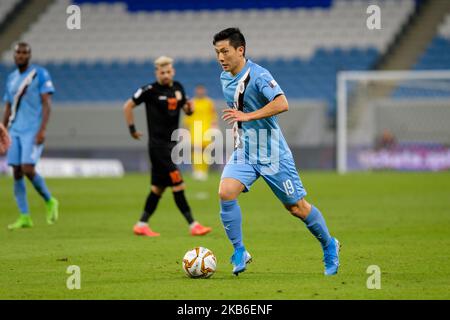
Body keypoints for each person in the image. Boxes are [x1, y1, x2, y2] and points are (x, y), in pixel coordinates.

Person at [213, 28, 340, 275]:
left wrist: (247, 116)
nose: (220, 57)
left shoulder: (259, 75)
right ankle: (239, 250)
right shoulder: (224, 78)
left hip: (272, 153)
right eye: (217, 52)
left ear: (240, 50)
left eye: (225, 51)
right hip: (246, 151)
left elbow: (282, 103)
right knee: (226, 193)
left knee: (296, 208)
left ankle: (329, 244)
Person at [123, 56, 212, 237]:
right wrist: (132, 129)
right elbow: (128, 106)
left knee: (158, 188)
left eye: (168, 71)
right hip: (158, 147)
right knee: (178, 184)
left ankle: (141, 224)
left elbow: (187, 109)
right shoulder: (149, 90)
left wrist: (190, 108)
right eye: (161, 72)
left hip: (171, 146)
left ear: (173, 71)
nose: (165, 75)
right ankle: (193, 225)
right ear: (157, 73)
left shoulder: (178, 88)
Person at [2, 42, 59, 230]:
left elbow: (47, 103)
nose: (20, 55)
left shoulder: (39, 74)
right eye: (18, 52)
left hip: (33, 130)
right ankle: (24, 216)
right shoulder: (11, 78)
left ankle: (50, 200)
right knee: (16, 171)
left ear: (29, 55)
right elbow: (9, 106)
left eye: (24, 53)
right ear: (14, 55)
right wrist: (2, 129)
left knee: (27, 168)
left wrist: (42, 129)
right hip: (14, 130)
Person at [183, 84, 217, 181]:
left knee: (206, 151)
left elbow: (213, 115)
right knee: (196, 150)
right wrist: (186, 128)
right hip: (195, 129)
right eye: (199, 90)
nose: (200, 92)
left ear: (204, 91)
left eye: (202, 90)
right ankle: (197, 170)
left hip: (206, 129)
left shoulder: (209, 102)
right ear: (196, 91)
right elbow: (188, 116)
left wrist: (214, 126)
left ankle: (204, 171)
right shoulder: (192, 102)